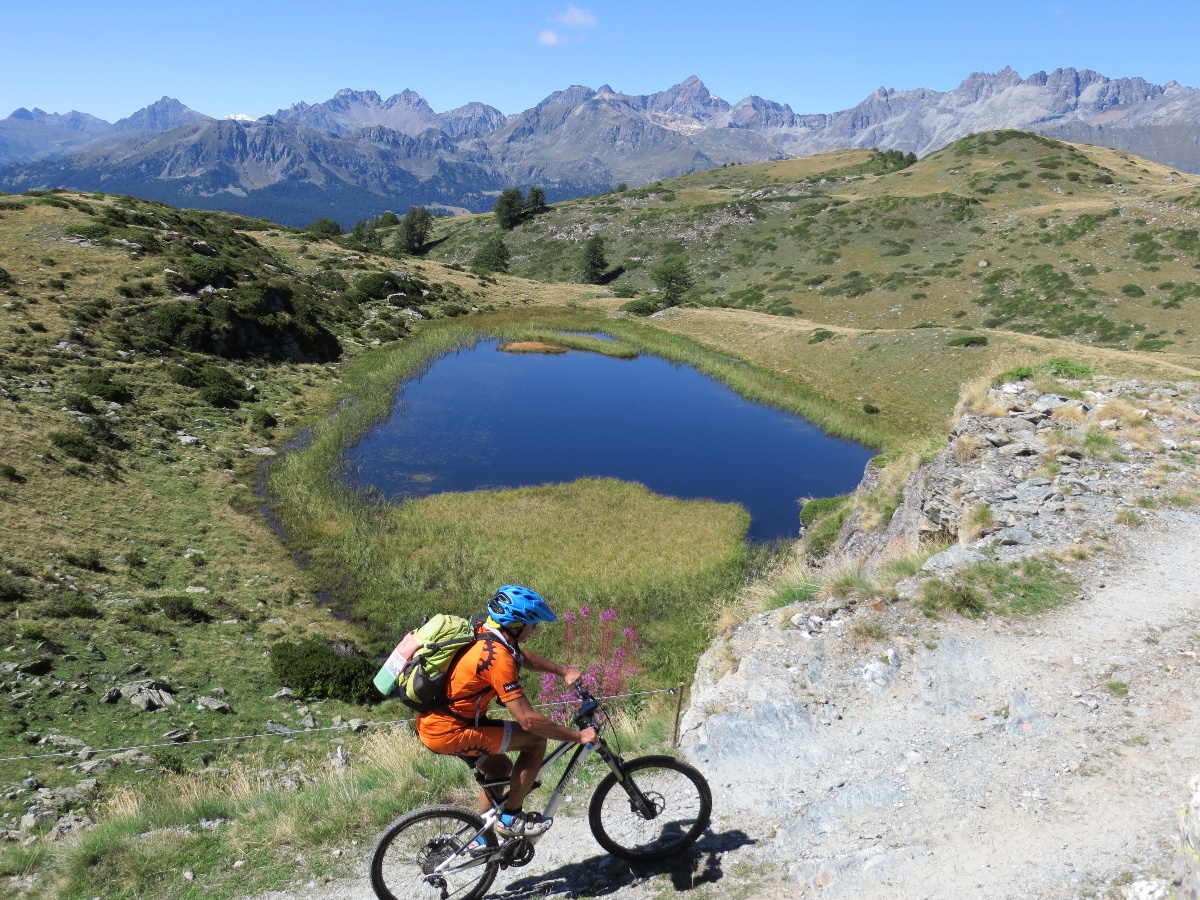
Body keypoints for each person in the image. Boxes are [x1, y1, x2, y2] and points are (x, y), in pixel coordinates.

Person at [414, 585, 598, 837]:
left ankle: (483, 839)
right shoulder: (498, 658)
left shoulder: (482, 631)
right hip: (451, 731)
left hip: (435, 724)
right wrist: (578, 736)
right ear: (517, 626)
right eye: (533, 625)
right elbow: (529, 721)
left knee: (499, 767)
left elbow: (520, 655)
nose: (534, 630)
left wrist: (562, 671)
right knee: (534, 741)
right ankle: (510, 819)